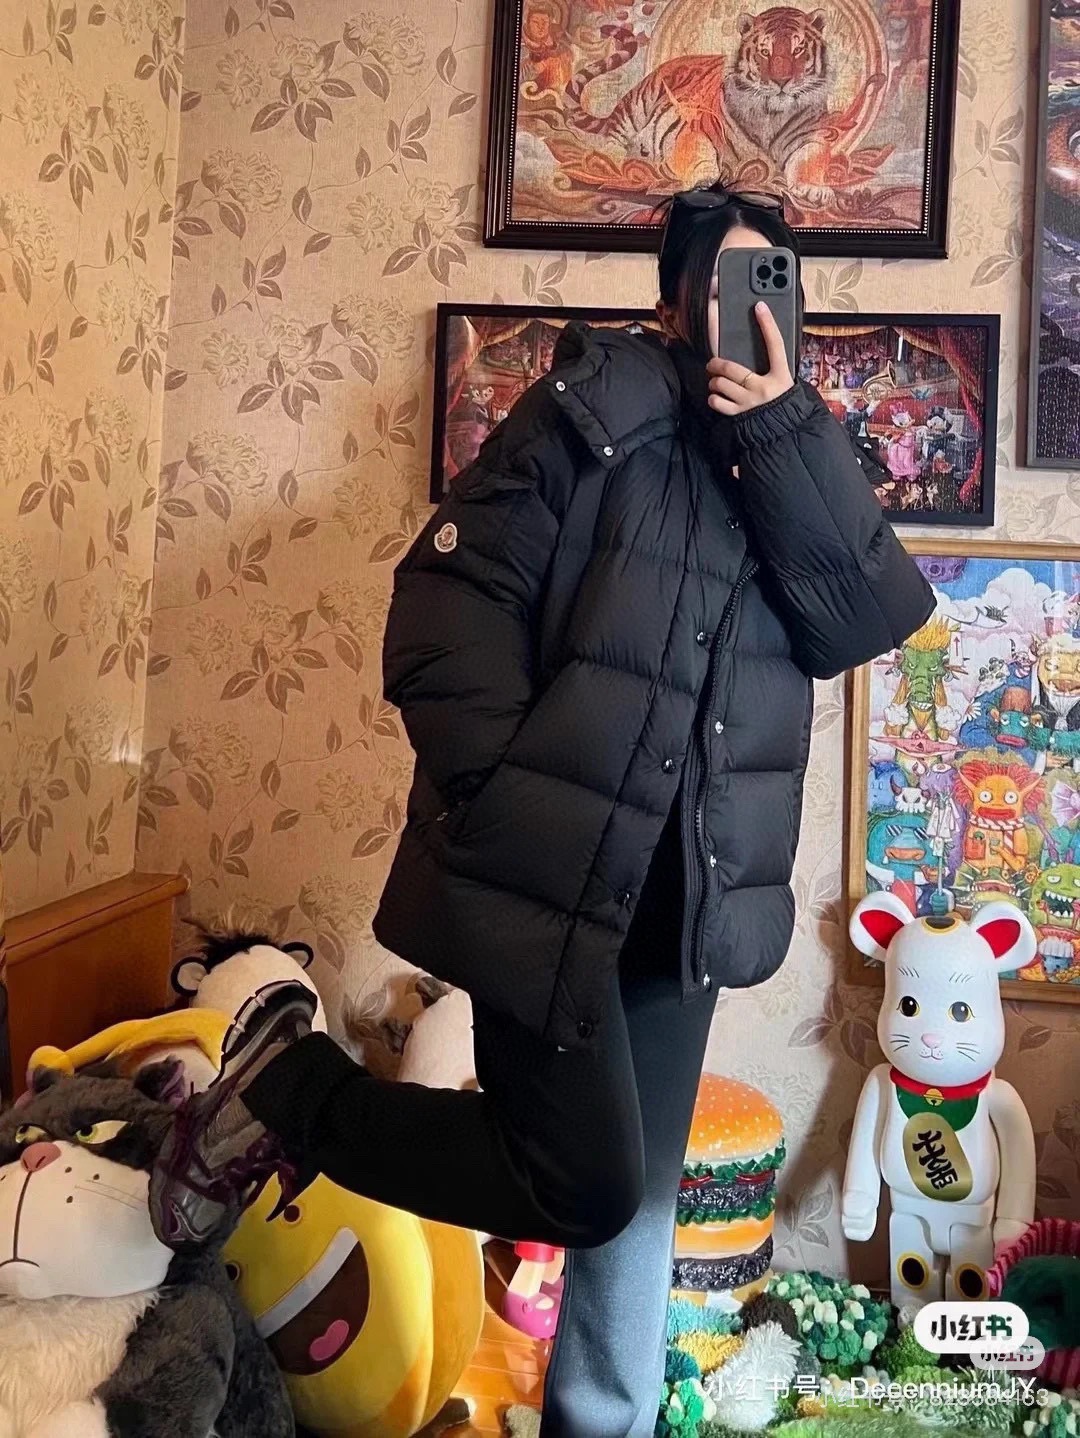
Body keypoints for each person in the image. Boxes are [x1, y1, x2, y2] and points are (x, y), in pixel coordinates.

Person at [148, 184, 933, 1437]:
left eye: (772, 282)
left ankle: (598, 1423)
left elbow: (865, 620)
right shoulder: (595, 407)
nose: (747, 306)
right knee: (585, 1184)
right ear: (671, 302)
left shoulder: (799, 450)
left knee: (641, 1203)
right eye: (723, 281)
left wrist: (783, 428)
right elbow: (441, 610)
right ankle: (291, 1090)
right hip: (550, 873)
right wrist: (505, 801)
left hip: (690, 898)